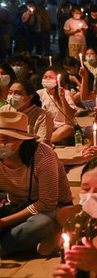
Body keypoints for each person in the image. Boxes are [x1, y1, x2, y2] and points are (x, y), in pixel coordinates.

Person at [0, 111, 72, 256]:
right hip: (16, 206)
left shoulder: (43, 156)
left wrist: (5, 222)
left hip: (51, 208)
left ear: (20, 140)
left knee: (40, 225)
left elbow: (46, 203)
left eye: (5, 139)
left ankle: (5, 247)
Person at [0, 80, 53, 144]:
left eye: (18, 93)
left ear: (30, 97)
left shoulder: (42, 116)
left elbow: (43, 142)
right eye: (10, 93)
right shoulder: (4, 110)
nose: (12, 96)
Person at [37, 69, 78, 144]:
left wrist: (63, 99)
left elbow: (70, 115)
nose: (47, 79)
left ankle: (43, 142)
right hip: (46, 128)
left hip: (61, 127)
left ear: (57, 80)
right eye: (45, 77)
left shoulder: (66, 93)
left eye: (50, 77)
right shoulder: (39, 93)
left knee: (68, 129)